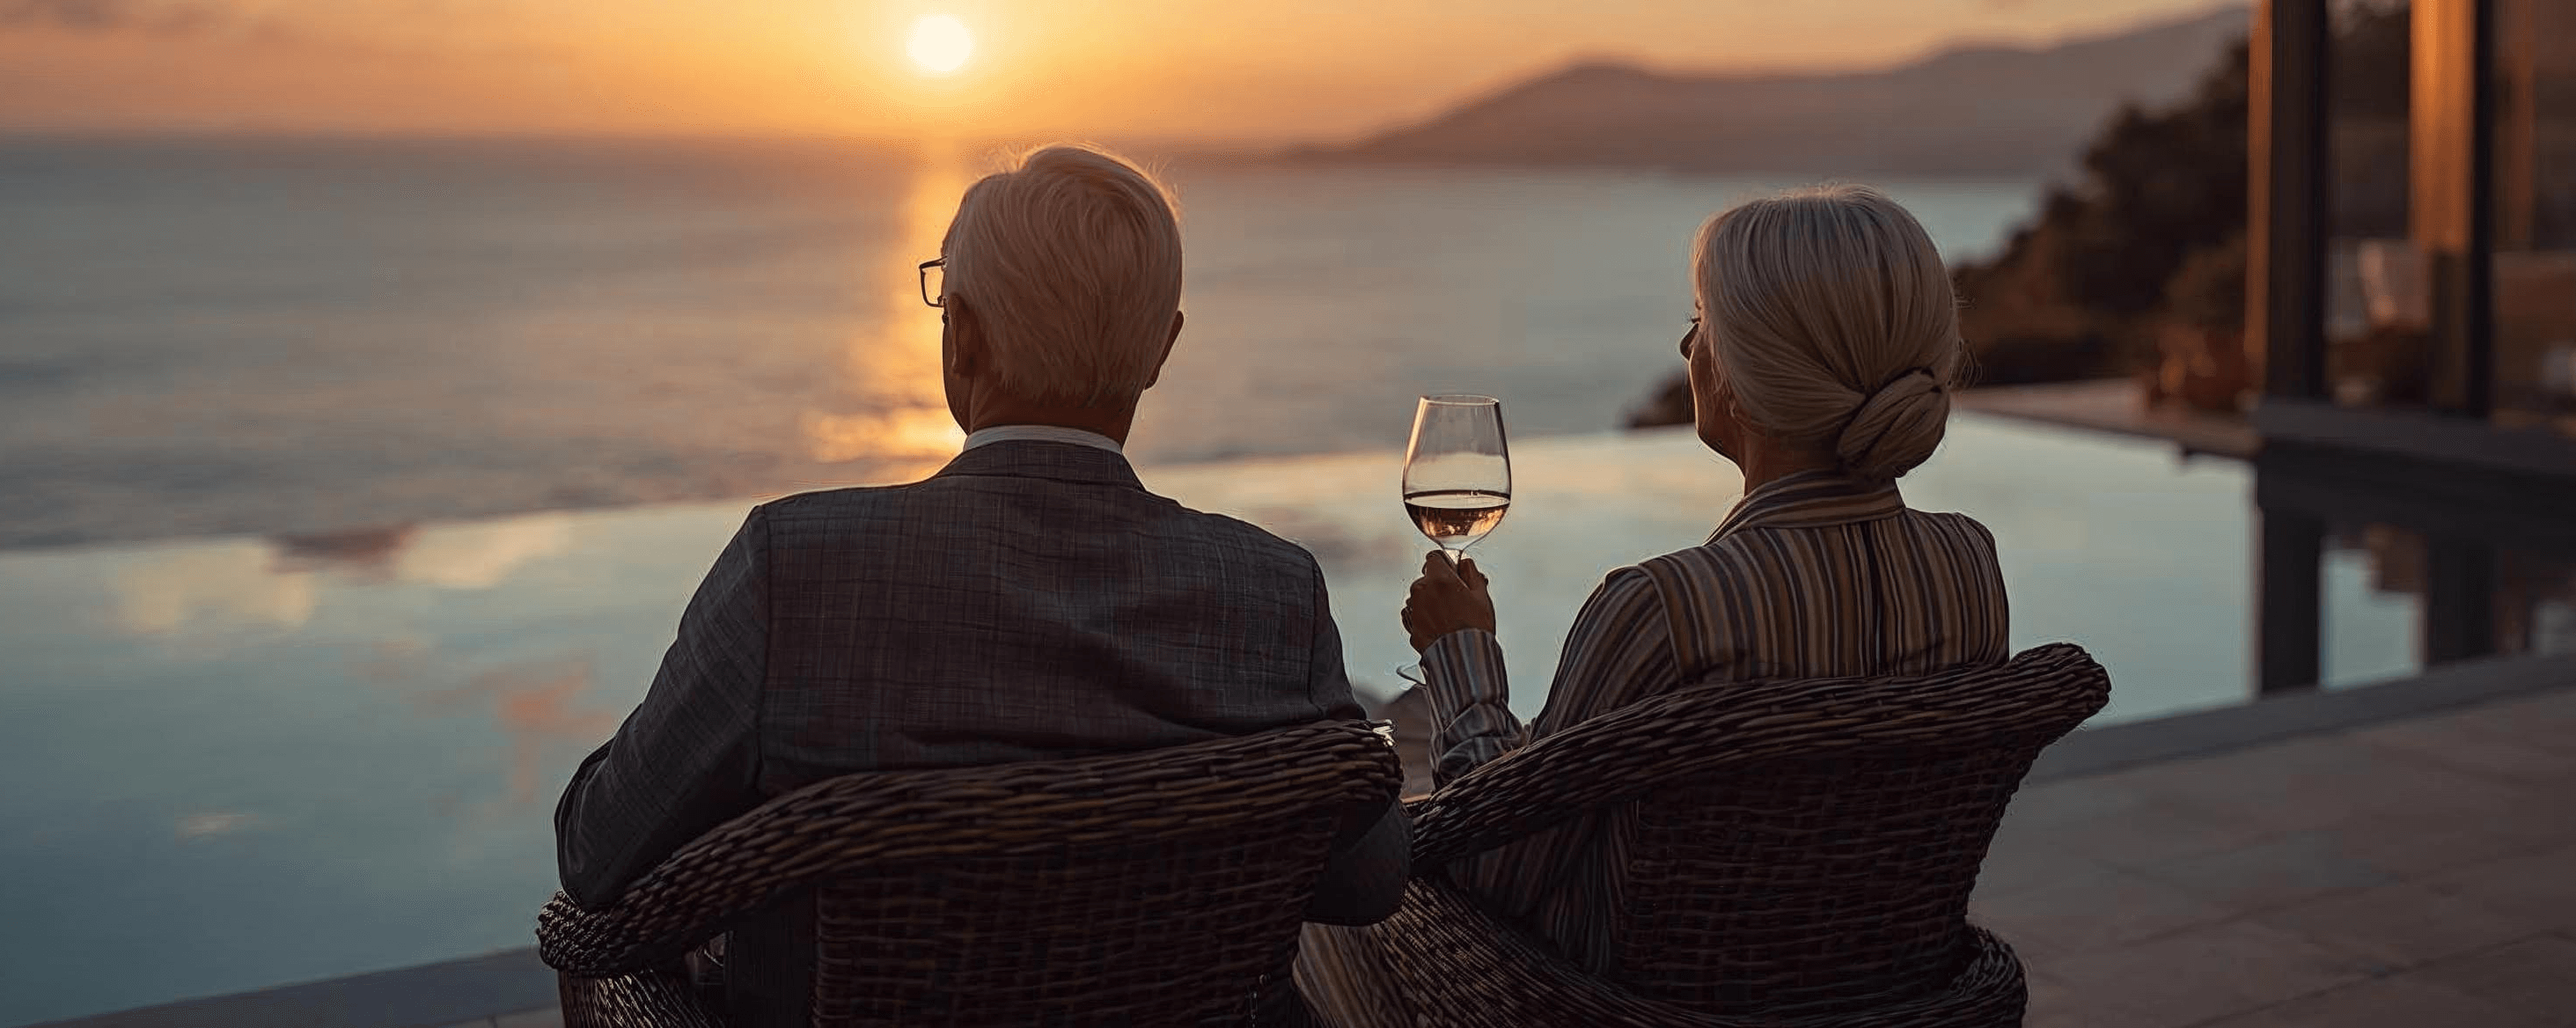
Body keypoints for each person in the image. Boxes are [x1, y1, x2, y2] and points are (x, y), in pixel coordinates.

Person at [557, 143, 1407, 1020]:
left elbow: (597, 853)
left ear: (959, 334)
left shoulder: (798, 567)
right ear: (1161, 348)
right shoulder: (1273, 593)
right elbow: (1369, 880)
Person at [1297, 183, 2008, 1024]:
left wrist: (1463, 656)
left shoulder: (1667, 606)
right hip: (1885, 995)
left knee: (1323, 852)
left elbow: (1501, 869)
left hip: (1591, 1000)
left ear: (1743, 379)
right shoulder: (1970, 562)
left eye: (1702, 320)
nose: (1686, 342)